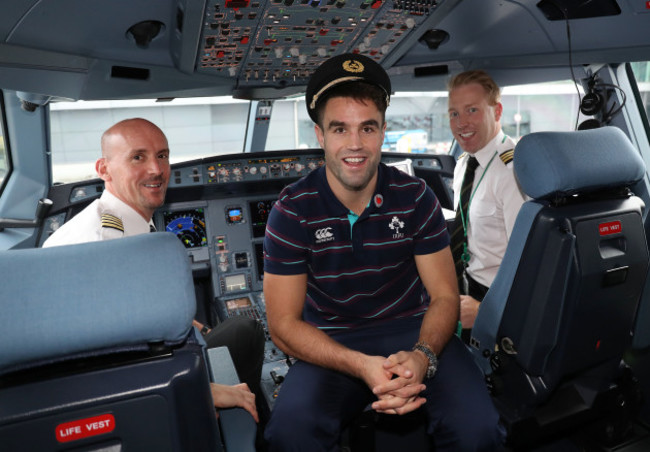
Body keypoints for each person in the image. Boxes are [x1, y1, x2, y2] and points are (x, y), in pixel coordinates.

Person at [262, 54, 503, 451]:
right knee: (290, 432)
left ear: (383, 132)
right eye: (340, 129)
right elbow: (284, 325)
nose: (355, 145)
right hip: (332, 339)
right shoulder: (292, 209)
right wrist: (360, 364)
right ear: (320, 136)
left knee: (479, 429)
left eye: (367, 128)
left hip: (414, 330)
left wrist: (423, 357)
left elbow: (444, 296)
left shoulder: (415, 198)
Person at [42, 118, 263, 423]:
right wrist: (205, 389)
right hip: (118, 391)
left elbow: (142, 315)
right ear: (104, 169)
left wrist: (201, 330)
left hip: (146, 361)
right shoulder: (104, 244)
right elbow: (108, 359)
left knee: (235, 331)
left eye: (162, 155)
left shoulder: (121, 225)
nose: (157, 170)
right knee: (248, 331)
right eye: (138, 157)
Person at [447, 70, 527, 343]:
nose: (461, 123)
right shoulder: (463, 165)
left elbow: (530, 265)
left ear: (497, 111)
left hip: (497, 302)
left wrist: (485, 311)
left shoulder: (513, 172)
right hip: (465, 286)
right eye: (454, 114)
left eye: (472, 110)